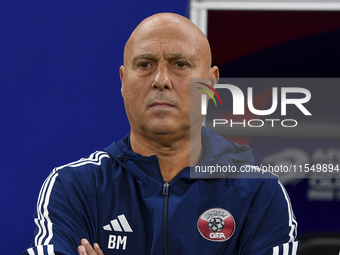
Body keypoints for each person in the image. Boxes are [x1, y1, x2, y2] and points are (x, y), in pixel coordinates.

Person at [22, 13, 298, 255]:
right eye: (145, 64)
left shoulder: (259, 193)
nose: (161, 80)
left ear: (211, 84)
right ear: (122, 80)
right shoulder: (74, 188)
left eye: (180, 64)